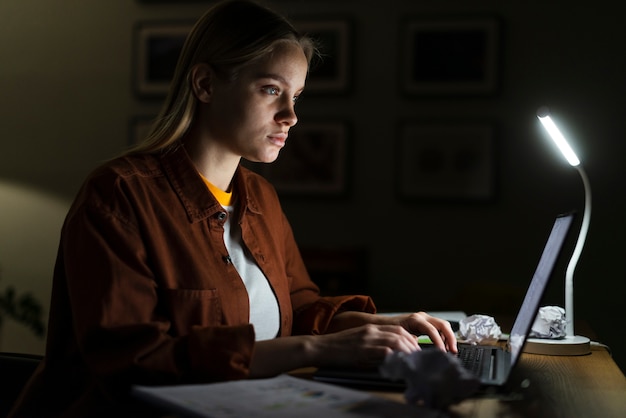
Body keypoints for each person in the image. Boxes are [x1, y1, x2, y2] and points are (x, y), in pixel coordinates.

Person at [9, 1, 456, 417]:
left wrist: (383, 326)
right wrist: (318, 350)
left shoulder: (261, 198)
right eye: (270, 90)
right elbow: (136, 362)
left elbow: (297, 309)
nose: (290, 116)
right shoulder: (118, 196)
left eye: (296, 96)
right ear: (205, 84)